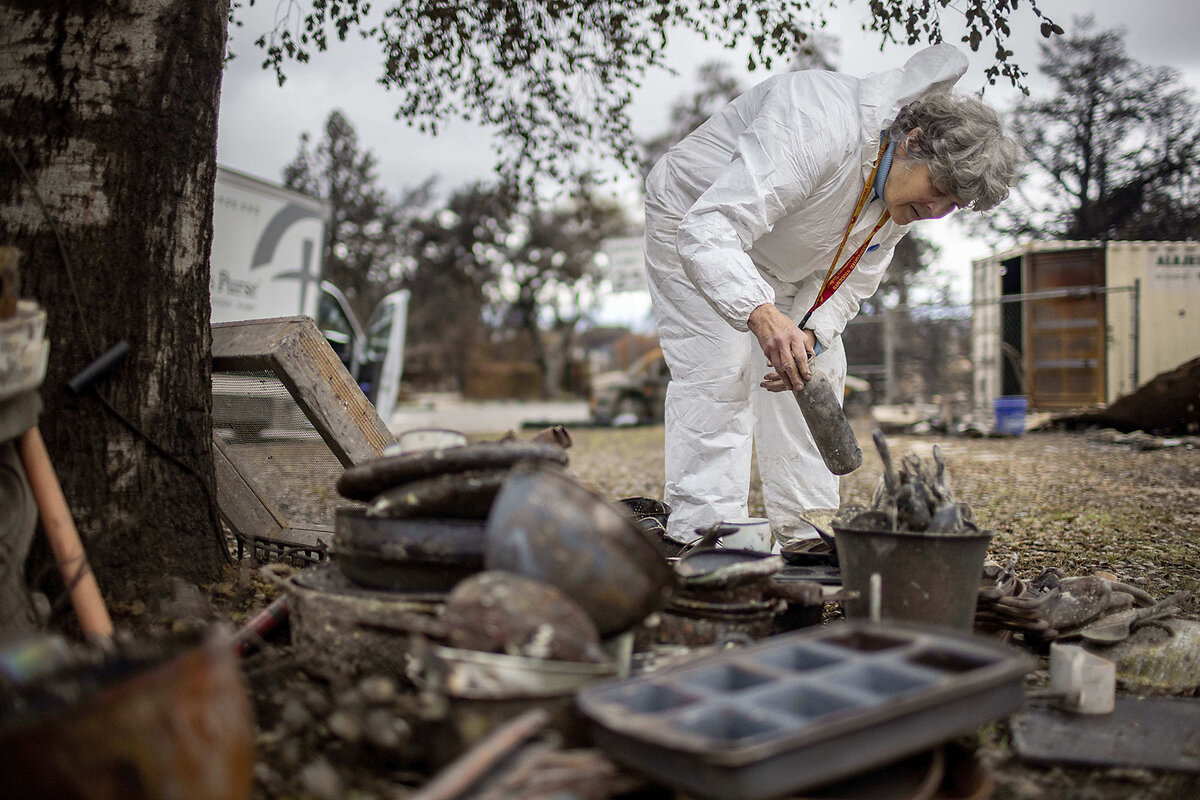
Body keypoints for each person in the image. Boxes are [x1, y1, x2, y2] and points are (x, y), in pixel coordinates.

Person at [643, 44, 1022, 550]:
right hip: (694, 220)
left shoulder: (900, 197)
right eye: (940, 190)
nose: (936, 211)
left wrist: (810, 331)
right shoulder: (816, 120)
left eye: (953, 204)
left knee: (814, 368)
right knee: (721, 369)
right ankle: (707, 539)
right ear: (912, 141)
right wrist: (760, 312)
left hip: (783, 257)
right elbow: (711, 227)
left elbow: (855, 276)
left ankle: (805, 532)